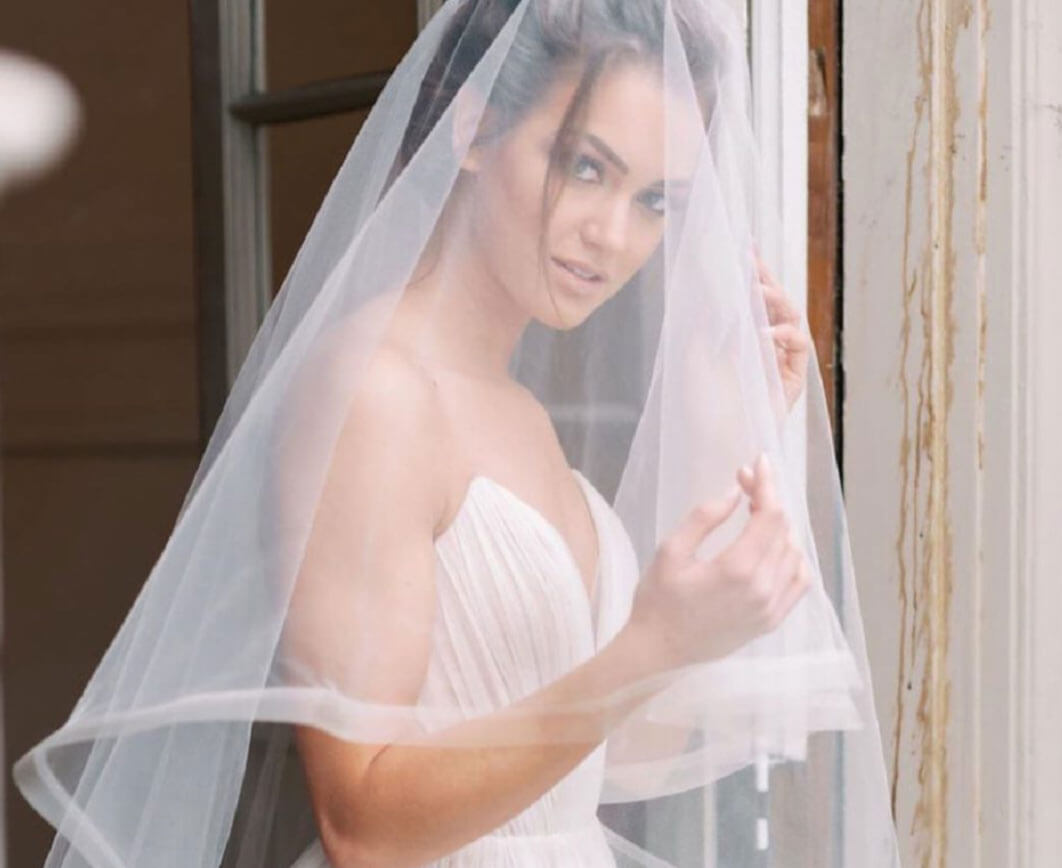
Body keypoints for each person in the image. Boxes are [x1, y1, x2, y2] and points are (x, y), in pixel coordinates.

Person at [13, 1, 900, 866]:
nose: (613, 235)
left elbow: (613, 761)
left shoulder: (516, 412)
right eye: (586, 167)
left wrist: (728, 433)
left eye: (655, 200)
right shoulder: (376, 393)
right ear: (473, 129)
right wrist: (651, 644)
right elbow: (362, 827)